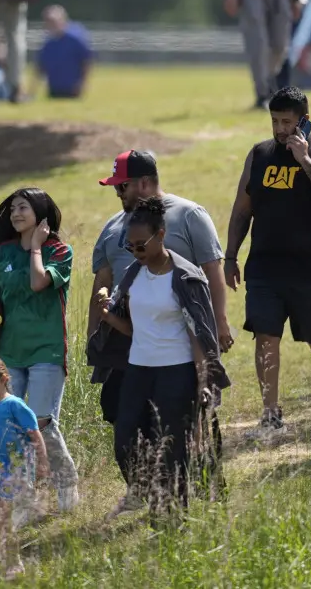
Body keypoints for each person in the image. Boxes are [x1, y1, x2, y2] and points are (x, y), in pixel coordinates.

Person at [225, 86, 311, 437]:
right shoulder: (260, 154)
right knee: (265, 335)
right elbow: (242, 209)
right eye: (275, 121)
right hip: (265, 264)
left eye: (287, 122)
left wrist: (305, 160)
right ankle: (270, 413)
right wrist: (231, 255)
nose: (280, 129)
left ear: (304, 121)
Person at [96, 197, 231, 517]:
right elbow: (134, 328)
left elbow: (198, 335)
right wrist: (108, 316)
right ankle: (147, 491)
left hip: (178, 370)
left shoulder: (185, 277)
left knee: (174, 448)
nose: (135, 252)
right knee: (124, 437)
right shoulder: (131, 274)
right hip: (139, 369)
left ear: (161, 235)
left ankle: (174, 516)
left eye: (140, 245)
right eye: (129, 247)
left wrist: (203, 383)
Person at [90, 150, 232, 425]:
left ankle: (198, 463)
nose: (118, 193)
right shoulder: (113, 227)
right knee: (118, 410)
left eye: (122, 186)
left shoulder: (189, 214)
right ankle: (146, 465)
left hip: (178, 334)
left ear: (144, 183)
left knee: (187, 411)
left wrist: (220, 324)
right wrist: (94, 337)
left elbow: (212, 272)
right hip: (128, 336)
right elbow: (102, 282)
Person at [0, 187, 80, 515]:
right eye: (12, 209)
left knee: (39, 420)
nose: (15, 214)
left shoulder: (60, 252)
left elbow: (39, 283)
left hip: (46, 351)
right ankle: (24, 503)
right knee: (12, 426)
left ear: (41, 214)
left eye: (23, 208)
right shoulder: (5, 252)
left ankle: (65, 479)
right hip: (10, 352)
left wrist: (36, 247)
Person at [0, 355, 51, 581]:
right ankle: (4, 557)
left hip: (11, 471)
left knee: (3, 519)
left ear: (3, 379)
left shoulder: (14, 404)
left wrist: (42, 461)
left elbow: (34, 432)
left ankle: (14, 564)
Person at [36, 4, 95, 99]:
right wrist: (33, 90)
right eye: (47, 21)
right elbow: (41, 67)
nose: (50, 25)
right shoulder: (48, 43)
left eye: (52, 21)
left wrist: (83, 84)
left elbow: (86, 62)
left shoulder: (75, 39)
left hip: (72, 89)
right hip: (54, 89)